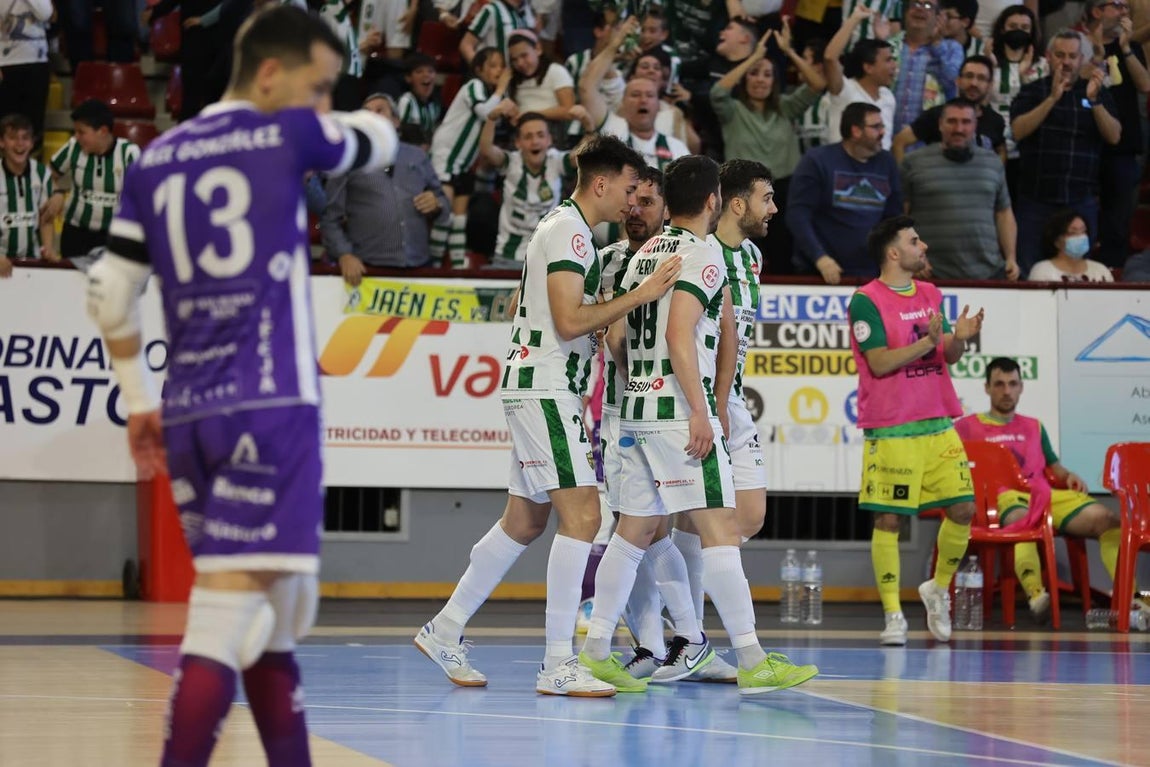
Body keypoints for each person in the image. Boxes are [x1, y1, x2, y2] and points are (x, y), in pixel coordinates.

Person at [85, 6, 398, 765]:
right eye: (318, 85)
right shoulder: (289, 132)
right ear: (269, 74)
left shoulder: (154, 157)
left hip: (190, 416)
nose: (323, 100)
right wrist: (358, 120)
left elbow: (107, 291)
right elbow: (379, 141)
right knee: (224, 621)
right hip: (272, 409)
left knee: (278, 618)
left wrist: (136, 401)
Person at [414, 135, 683, 697]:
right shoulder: (570, 232)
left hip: (539, 385)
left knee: (525, 521)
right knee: (583, 519)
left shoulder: (565, 228)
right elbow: (567, 321)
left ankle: (445, 628)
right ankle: (558, 662)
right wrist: (641, 295)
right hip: (547, 388)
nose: (632, 203)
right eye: (630, 190)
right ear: (603, 184)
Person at [577, 154, 819, 696]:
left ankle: (595, 650)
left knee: (632, 533)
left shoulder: (644, 256)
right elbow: (678, 335)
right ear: (714, 201)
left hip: (634, 411)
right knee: (720, 532)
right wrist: (700, 409)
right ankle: (753, 658)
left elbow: (619, 338)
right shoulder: (702, 254)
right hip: (674, 414)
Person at [650, 158, 780, 685]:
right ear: (735, 202)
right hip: (695, 400)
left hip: (729, 400)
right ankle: (689, 634)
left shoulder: (751, 256)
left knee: (745, 516)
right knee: (705, 523)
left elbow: (732, 338)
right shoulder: (697, 253)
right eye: (766, 197)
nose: (774, 208)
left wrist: (727, 401)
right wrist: (710, 405)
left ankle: (681, 622)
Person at [847, 215, 984, 646]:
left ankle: (937, 590)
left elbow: (950, 356)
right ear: (893, 252)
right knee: (890, 520)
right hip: (892, 428)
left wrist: (959, 338)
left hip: (939, 422)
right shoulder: (865, 301)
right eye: (914, 240)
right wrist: (928, 342)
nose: (922, 246)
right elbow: (881, 362)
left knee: (963, 509)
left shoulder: (929, 293)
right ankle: (893, 616)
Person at [954, 357, 1128, 621]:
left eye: (1012, 384)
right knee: (1025, 521)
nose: (1006, 391)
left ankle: (1134, 601)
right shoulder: (967, 427)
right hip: (1004, 499)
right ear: (987, 388)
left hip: (1044, 495)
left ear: (1021, 387)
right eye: (999, 384)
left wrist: (1068, 475)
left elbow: (1055, 467)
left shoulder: (1034, 426)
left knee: (1107, 520)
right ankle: (1036, 594)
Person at [710, 23, 826, 276]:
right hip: (742, 190)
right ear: (744, 78)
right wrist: (753, 57)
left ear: (775, 80)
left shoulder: (785, 107)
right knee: (742, 250)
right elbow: (718, 92)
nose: (760, 79)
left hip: (784, 189)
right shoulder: (733, 110)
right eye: (754, 73)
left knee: (783, 251)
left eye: (766, 74)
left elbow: (818, 84)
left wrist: (789, 51)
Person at [1010, 30, 1121, 272]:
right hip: (1035, 199)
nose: (1066, 61)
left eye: (1072, 56)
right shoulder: (1032, 91)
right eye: (1060, 55)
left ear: (1081, 59)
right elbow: (1018, 131)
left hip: (1080, 200)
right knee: (1029, 269)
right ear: (1049, 57)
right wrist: (1052, 98)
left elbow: (1114, 136)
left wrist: (1095, 102)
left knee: (1079, 271)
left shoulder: (1095, 91)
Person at [322, 94, 448, 277]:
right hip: (369, 270)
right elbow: (329, 217)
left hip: (419, 266)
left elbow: (444, 203)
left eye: (380, 110)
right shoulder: (349, 159)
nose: (372, 117)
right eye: (366, 113)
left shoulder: (417, 156)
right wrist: (344, 254)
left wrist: (437, 203)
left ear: (396, 121)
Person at [901, 98, 1019, 280]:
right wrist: (912, 257)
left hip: (988, 274)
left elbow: (1004, 214)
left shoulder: (993, 162)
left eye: (966, 122)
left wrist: (1011, 258)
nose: (959, 129)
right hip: (930, 274)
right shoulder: (913, 162)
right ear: (940, 124)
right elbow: (901, 218)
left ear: (975, 125)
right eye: (952, 121)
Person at [788, 102, 903, 283]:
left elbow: (894, 219)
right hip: (821, 273)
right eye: (875, 127)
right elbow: (798, 216)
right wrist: (820, 258)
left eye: (883, 126)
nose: (883, 132)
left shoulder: (887, 162)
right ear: (856, 131)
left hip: (872, 274)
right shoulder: (817, 160)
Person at [428, 47, 513, 268]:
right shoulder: (473, 86)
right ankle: (434, 266)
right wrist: (502, 89)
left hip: (465, 163)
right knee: (444, 215)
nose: (498, 70)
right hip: (447, 154)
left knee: (459, 218)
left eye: (501, 66)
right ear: (479, 69)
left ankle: (457, 267)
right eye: (493, 65)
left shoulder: (495, 95)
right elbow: (485, 112)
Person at [1082, 0, 1150, 268]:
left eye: (1125, 6)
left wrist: (1124, 47)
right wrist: (1097, 55)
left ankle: (1113, 268)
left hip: (1123, 144)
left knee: (1119, 217)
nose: (1124, 12)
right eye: (1116, 5)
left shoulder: (1130, 47)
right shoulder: (1078, 45)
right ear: (1097, 11)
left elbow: (1145, 84)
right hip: (1085, 141)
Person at [45, 99, 141, 261]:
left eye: (82, 132)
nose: (76, 137)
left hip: (114, 237)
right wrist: (57, 192)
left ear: (102, 131)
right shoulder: (73, 147)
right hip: (75, 235)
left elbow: (145, 194)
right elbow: (46, 176)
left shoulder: (128, 153)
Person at [476, 110, 573, 264]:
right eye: (528, 137)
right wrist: (492, 117)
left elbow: (586, 155)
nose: (535, 142)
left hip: (546, 259)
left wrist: (588, 125)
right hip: (507, 258)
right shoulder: (511, 162)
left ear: (549, 140)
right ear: (518, 143)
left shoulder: (556, 160)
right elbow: (486, 150)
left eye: (541, 135)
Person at [892, 55, 1006, 164]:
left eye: (981, 78)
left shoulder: (995, 121)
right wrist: (905, 179)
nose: (973, 83)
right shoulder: (936, 115)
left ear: (990, 85)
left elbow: (1001, 150)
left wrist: (997, 177)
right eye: (969, 76)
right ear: (958, 81)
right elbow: (899, 142)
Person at [987, 5, 1048, 200]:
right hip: (992, 141)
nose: (1018, 31)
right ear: (1002, 29)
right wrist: (989, 66)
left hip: (1026, 143)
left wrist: (1023, 77)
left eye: (1024, 27)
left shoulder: (1042, 65)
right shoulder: (990, 60)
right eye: (1013, 26)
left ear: (1032, 32)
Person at [886, 0, 965, 132]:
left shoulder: (952, 48)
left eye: (928, 6)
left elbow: (953, 85)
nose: (920, 9)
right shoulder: (889, 46)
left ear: (938, 17)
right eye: (915, 4)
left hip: (929, 141)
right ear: (905, 13)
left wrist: (937, 46)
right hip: (887, 137)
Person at [823, 9, 898, 148]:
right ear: (868, 67)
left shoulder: (889, 97)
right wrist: (854, 19)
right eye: (888, 60)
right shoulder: (845, 91)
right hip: (843, 168)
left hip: (877, 169)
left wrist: (881, 40)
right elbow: (830, 58)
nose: (894, 66)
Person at [0, 113, 56, 276]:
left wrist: (48, 249)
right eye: (12, 138)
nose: (20, 144)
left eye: (25, 138)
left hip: (33, 265)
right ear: (2, 142)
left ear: (32, 143)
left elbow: (46, 219)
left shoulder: (41, 173)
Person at [0, 0, 52, 144]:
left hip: (37, 63)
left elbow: (45, 14)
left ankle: (33, 164)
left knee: (34, 124)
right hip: (6, 64)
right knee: (6, 124)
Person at [1027, 208, 1115, 281]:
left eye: (1083, 231)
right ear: (1056, 241)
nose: (1080, 237)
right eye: (1073, 233)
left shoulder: (1101, 270)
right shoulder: (1042, 271)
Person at [460, 0, 532, 65]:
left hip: (515, 75)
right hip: (493, 75)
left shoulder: (527, 13)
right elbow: (466, 45)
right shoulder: (491, 10)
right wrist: (482, 72)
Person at [396, 53, 443, 138]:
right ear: (408, 78)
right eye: (419, 71)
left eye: (431, 71)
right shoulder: (407, 101)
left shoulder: (436, 103)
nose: (426, 75)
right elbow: (402, 132)